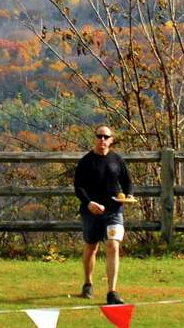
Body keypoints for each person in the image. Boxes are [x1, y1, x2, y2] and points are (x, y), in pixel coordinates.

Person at [74, 124, 133, 305]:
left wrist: (129, 196)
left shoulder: (117, 160)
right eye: (99, 136)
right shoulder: (86, 162)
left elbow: (127, 182)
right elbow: (78, 187)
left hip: (114, 210)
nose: (102, 140)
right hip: (91, 211)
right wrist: (89, 203)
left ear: (111, 140)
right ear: (95, 138)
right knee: (91, 247)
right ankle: (88, 283)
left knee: (112, 246)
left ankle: (112, 292)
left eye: (106, 137)